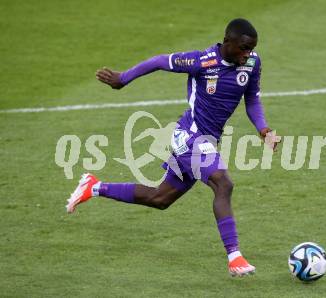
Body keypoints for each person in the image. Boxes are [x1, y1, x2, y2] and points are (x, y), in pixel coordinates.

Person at [66, 18, 280, 277]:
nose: (247, 54)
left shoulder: (252, 63)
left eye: (251, 49)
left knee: (160, 198)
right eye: (243, 48)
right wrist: (123, 78)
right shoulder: (202, 62)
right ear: (227, 41)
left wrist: (263, 129)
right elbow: (159, 61)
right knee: (223, 183)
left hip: (207, 142)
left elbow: (252, 100)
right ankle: (234, 257)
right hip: (189, 137)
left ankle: (94, 187)